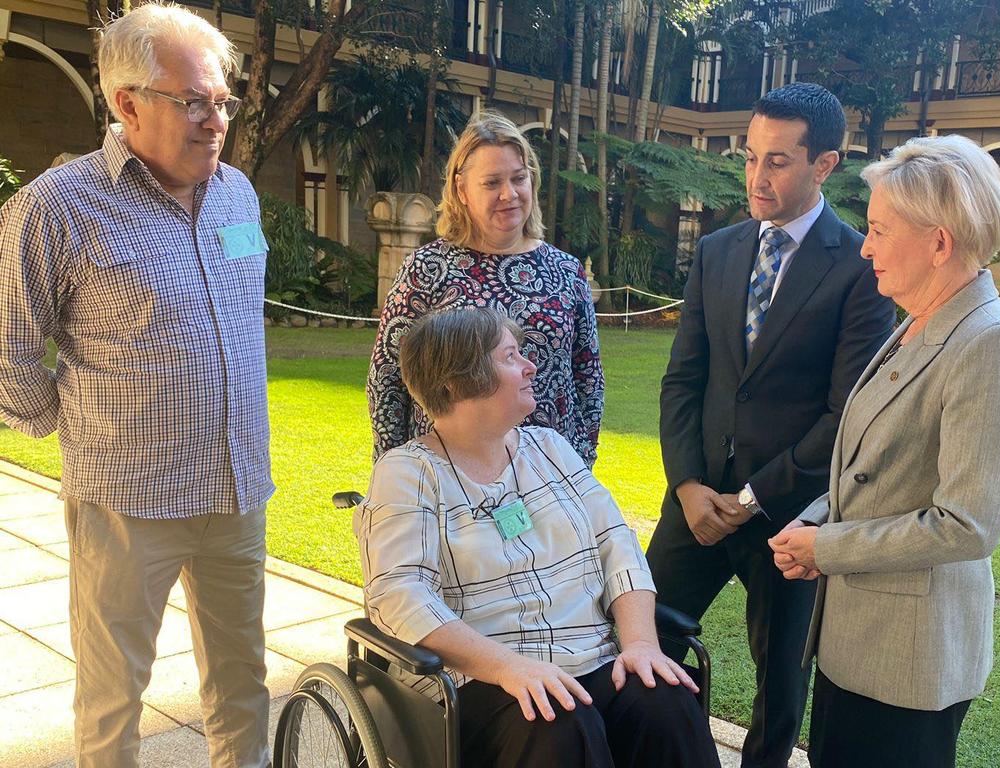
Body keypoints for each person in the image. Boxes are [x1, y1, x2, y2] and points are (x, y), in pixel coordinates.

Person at [0, 5, 273, 766]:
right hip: (127, 500)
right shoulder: (56, 208)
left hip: (235, 489)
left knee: (242, 681)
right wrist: (81, 425)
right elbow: (11, 349)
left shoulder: (238, 196)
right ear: (127, 103)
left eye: (222, 100)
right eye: (192, 101)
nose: (214, 118)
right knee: (114, 697)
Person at [646, 82, 896, 768]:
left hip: (789, 513)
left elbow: (847, 413)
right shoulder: (719, 251)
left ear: (824, 165)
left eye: (778, 161)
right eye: (750, 157)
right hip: (696, 504)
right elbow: (683, 380)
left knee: (780, 686)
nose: (757, 177)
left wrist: (753, 499)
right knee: (640, 639)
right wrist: (690, 485)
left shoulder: (862, 268)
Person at [355, 308, 721, 768]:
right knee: (558, 721)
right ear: (456, 383)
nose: (531, 366)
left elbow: (617, 546)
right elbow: (400, 594)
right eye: (511, 356)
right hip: (476, 680)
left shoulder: (550, 449)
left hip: (592, 656)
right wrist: (509, 667)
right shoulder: (408, 474)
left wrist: (641, 644)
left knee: (663, 701)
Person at [768, 135, 1000, 768]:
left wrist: (826, 548)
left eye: (880, 230)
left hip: (909, 666)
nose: (865, 246)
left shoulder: (989, 344)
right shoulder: (917, 322)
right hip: (859, 648)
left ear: (939, 242)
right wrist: (819, 516)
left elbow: (967, 524)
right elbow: (876, 471)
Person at [367, 111, 603, 467]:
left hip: (549, 478)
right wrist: (394, 472)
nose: (509, 194)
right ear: (461, 189)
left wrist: (581, 464)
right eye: (492, 183)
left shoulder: (566, 271)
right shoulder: (426, 269)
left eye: (518, 178)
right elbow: (388, 377)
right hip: (449, 477)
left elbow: (588, 377)